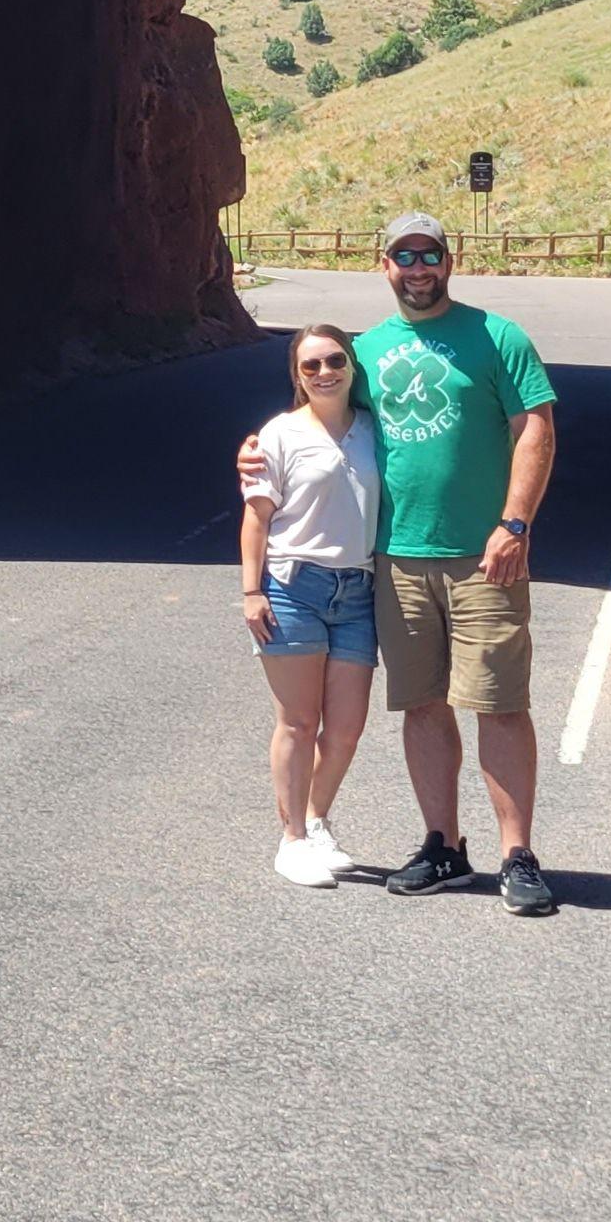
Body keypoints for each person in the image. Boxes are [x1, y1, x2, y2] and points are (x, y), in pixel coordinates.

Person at [240, 215, 560, 915]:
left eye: (430, 254)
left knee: (500, 704)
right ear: (382, 264)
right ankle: (442, 845)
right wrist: (256, 449)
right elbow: (317, 412)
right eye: (403, 255)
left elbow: (534, 425)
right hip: (396, 561)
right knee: (423, 705)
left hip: (485, 556)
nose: (417, 267)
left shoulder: (496, 337)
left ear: (450, 260)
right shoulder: (368, 352)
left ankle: (517, 855)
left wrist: (515, 522)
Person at [237, 322, 382, 888]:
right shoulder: (278, 435)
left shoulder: (375, 430)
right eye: (311, 366)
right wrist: (252, 592)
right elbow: (257, 518)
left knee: (345, 727)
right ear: (297, 376)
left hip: (359, 589)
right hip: (293, 586)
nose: (325, 373)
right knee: (299, 721)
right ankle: (292, 839)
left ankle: (317, 820)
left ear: (351, 366)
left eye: (335, 361)